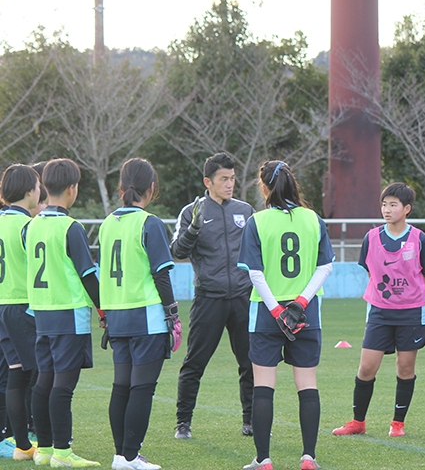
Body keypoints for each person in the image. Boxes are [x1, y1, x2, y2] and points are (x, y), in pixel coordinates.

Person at [237, 161, 334, 470]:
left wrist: (278, 309)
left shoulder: (258, 221)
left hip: (267, 314)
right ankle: (308, 457)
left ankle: (263, 460)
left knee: (263, 384)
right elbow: (326, 266)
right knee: (307, 383)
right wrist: (301, 302)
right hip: (306, 312)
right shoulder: (313, 220)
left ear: (264, 188)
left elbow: (255, 274)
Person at [332, 183, 425, 438]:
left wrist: (417, 297)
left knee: (405, 368)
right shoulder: (371, 237)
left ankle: (398, 423)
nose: (387, 209)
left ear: (407, 209)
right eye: (384, 204)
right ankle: (358, 421)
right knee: (367, 367)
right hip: (379, 311)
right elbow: (370, 270)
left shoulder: (419, 239)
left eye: (393, 204)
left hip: (411, 313)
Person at [99, 158, 181, 470]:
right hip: (146, 317)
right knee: (141, 387)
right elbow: (161, 275)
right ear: (152, 188)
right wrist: (173, 314)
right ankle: (131, 456)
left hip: (117, 316)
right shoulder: (150, 223)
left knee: (121, 386)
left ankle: (121, 455)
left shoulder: (107, 224)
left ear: (120, 188)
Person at [171, 152, 255, 438]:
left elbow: (257, 252)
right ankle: (183, 423)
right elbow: (178, 252)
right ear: (208, 181)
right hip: (209, 297)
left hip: (244, 297)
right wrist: (193, 229)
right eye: (224, 179)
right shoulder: (191, 211)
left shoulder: (245, 211)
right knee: (195, 362)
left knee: (249, 361)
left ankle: (250, 421)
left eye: (232, 178)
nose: (230, 184)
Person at [25, 158, 102, 467]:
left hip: (41, 313)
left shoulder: (31, 227)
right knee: (62, 386)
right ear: (72, 189)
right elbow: (87, 275)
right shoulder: (71, 228)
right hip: (68, 314)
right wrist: (103, 309)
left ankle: (43, 450)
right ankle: (63, 453)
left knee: (43, 381)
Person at [0, 164, 40, 460]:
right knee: (40, 374)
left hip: (1, 305)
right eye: (38, 186)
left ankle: (22, 444)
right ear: (30, 191)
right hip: (22, 305)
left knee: (15, 374)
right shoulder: (28, 227)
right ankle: (49, 440)